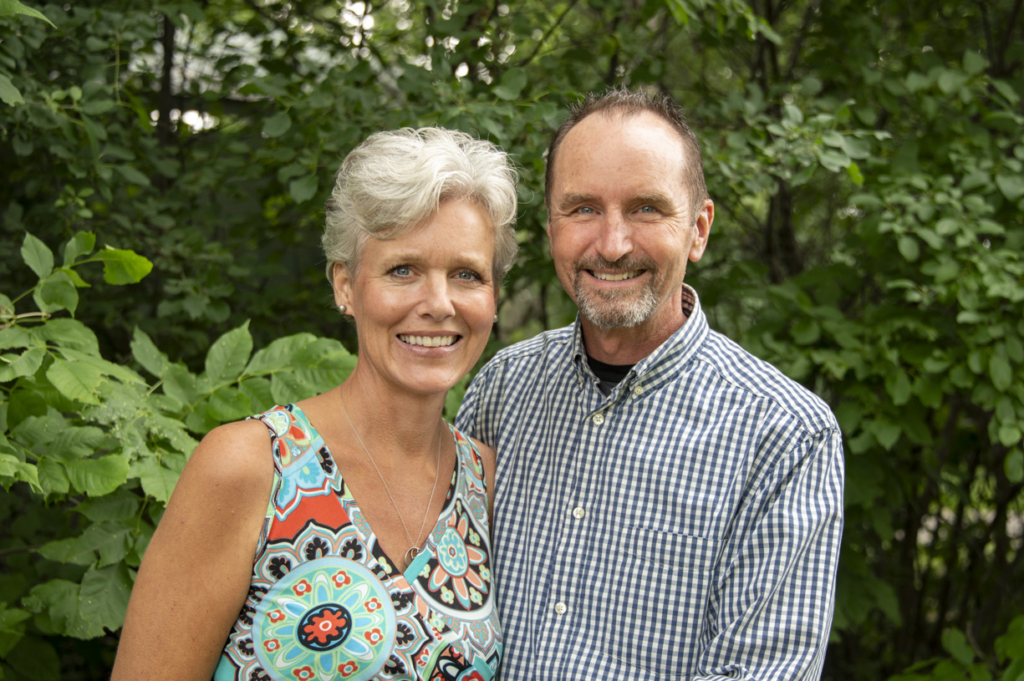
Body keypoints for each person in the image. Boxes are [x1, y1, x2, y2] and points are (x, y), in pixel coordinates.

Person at [455, 88, 845, 680]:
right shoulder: (501, 393)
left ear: (699, 230)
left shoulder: (787, 437)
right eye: (583, 209)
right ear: (552, 227)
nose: (612, 244)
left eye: (646, 209)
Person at [112, 127, 518, 681]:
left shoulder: (489, 487)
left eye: (467, 275)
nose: (439, 303)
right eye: (404, 270)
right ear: (345, 286)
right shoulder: (252, 467)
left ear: (493, 299)